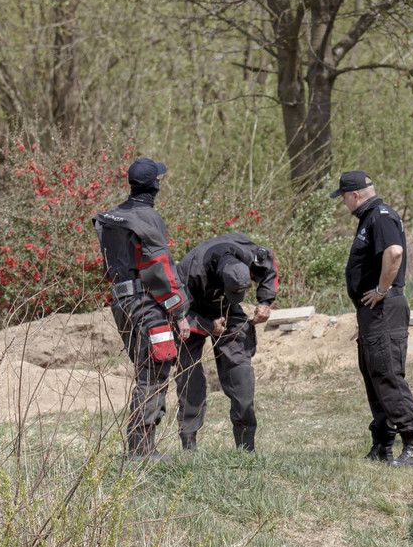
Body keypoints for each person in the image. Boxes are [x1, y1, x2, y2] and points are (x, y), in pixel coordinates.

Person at [93, 157, 191, 462]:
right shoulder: (148, 219)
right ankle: (140, 450)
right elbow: (158, 268)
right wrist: (179, 312)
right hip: (147, 304)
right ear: (155, 185)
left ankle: (139, 446)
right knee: (156, 369)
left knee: (145, 369)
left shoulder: (110, 217)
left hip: (121, 304)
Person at [331, 170, 413, 467]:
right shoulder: (370, 218)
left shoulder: (380, 216)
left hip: (384, 309)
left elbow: (394, 253)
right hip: (372, 313)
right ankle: (382, 444)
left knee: (387, 374)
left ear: (354, 195)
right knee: (374, 376)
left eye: (344, 197)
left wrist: (382, 290)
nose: (344, 203)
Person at [174, 233, 278, 452]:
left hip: (227, 310)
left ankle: (246, 446)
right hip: (191, 311)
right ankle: (189, 444)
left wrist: (266, 302)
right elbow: (176, 314)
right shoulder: (189, 272)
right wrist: (207, 326)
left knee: (240, 369)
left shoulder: (252, 255)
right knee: (190, 374)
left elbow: (270, 267)